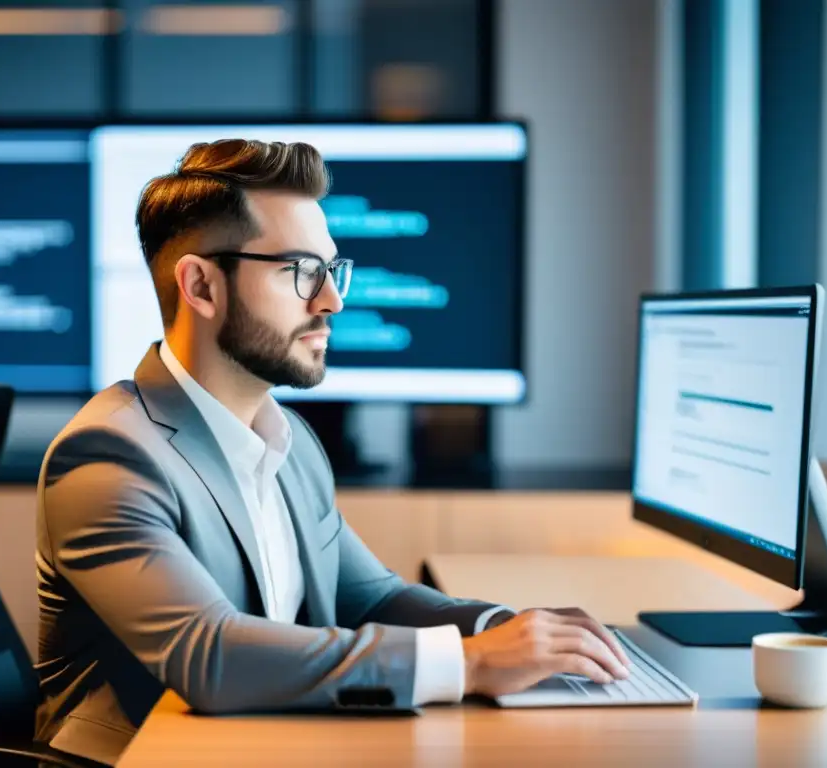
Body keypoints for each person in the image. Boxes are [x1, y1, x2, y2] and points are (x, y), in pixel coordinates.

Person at [34, 138, 631, 766]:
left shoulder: (287, 440)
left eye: (331, 270)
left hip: (258, 743)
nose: (332, 301)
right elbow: (208, 654)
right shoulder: (109, 456)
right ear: (202, 286)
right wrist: (471, 663)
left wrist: (506, 629)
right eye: (300, 272)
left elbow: (372, 598)